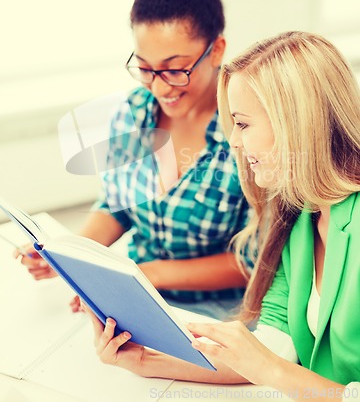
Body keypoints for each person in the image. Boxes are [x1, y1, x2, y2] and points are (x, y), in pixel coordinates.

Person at [83, 31, 360, 397]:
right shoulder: (302, 217)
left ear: (296, 123)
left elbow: (271, 365)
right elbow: (271, 348)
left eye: (243, 123)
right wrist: (146, 361)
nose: (233, 141)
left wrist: (274, 371)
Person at [15, 0, 252, 320]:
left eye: (176, 69)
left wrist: (145, 274)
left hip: (221, 316)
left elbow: (254, 260)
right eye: (145, 68)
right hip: (140, 298)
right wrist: (69, 254)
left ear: (217, 49)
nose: (159, 88)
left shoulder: (249, 130)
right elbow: (116, 204)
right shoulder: (133, 112)